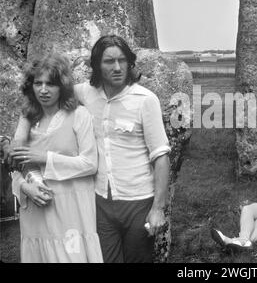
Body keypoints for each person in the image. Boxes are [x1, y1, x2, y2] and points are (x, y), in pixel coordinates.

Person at [13, 35, 171, 263]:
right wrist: (21, 131)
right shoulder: (84, 93)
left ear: (129, 63)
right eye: (109, 61)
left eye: (122, 60)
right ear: (96, 65)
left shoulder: (146, 100)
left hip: (138, 200)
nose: (117, 67)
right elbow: (40, 96)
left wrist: (159, 208)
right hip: (100, 202)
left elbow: (161, 157)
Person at [9, 53, 103, 262]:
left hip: (71, 213)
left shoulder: (79, 115)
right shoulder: (27, 119)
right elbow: (15, 166)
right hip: (35, 213)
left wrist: (45, 158)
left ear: (62, 86)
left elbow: (90, 164)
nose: (43, 90)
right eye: (38, 83)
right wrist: (25, 188)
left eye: (50, 84)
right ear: (30, 86)